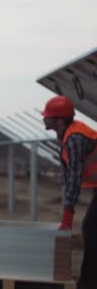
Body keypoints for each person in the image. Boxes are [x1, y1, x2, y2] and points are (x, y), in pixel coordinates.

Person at [41, 95, 97, 289]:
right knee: (91, 229)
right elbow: (67, 174)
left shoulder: (74, 138)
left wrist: (68, 213)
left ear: (59, 120)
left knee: (91, 230)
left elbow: (74, 176)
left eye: (47, 116)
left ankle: (89, 283)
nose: (43, 118)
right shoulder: (65, 135)